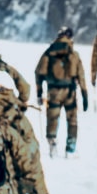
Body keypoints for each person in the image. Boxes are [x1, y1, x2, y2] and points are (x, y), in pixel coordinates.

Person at [35, 26, 88, 157]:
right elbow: (81, 76)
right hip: (70, 92)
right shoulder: (74, 54)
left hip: (53, 91)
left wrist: (39, 93)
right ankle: (70, 148)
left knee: (52, 118)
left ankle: (52, 143)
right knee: (72, 119)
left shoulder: (49, 52)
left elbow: (39, 72)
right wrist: (84, 94)